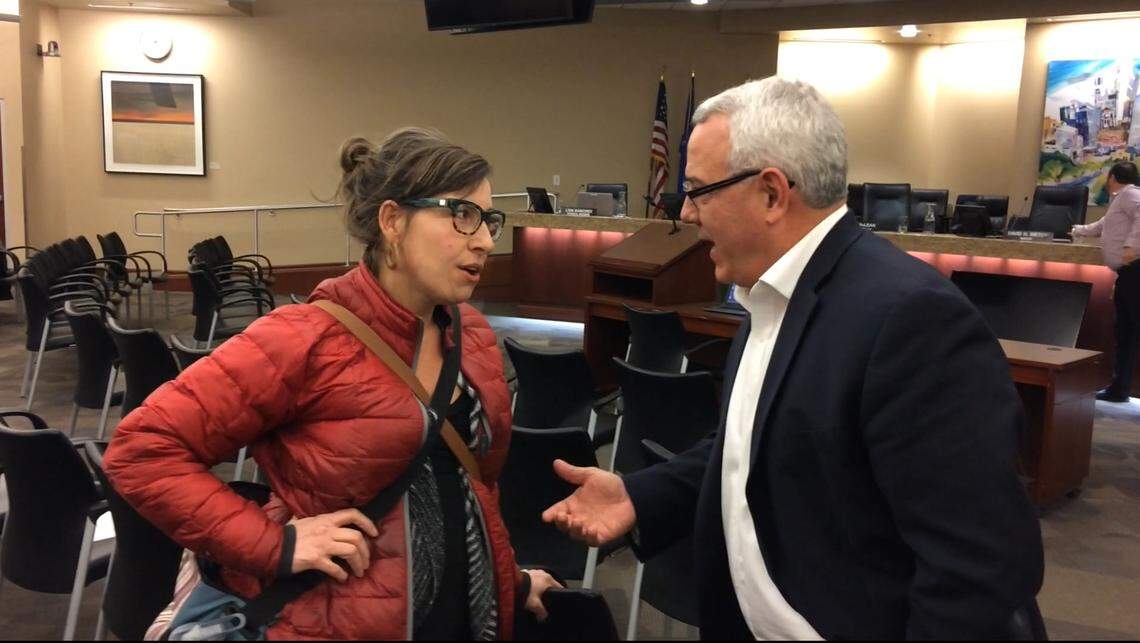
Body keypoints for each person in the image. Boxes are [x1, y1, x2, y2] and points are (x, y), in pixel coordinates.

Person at [543, 77, 1044, 639]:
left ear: (772, 194)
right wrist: (642, 493)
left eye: (699, 190)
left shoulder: (911, 319)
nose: (685, 212)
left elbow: (978, 569)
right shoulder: (767, 292)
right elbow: (761, 444)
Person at [104, 127, 559, 640]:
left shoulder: (470, 334)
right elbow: (142, 450)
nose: (485, 240)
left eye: (488, 219)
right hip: (339, 620)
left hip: (467, 616)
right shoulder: (305, 339)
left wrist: (510, 580)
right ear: (393, 221)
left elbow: (473, 486)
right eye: (462, 215)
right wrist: (275, 546)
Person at [1072, 161, 1140, 402]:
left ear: (1111, 177)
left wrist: (1133, 245)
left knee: (1128, 331)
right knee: (1125, 331)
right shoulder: (1120, 199)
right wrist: (1078, 229)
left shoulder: (1131, 194)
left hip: (1135, 272)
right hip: (1129, 274)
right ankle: (1119, 387)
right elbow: (1103, 227)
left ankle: (1120, 388)